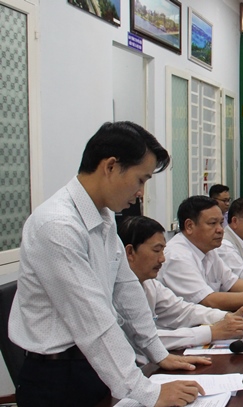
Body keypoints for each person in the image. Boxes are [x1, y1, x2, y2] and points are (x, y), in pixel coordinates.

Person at [9, 122, 208, 406]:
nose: (141, 192)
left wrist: (157, 352)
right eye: (141, 180)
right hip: (56, 379)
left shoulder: (102, 217)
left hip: (92, 367)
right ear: (111, 167)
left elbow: (126, 288)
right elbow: (92, 319)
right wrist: (148, 392)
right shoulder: (57, 225)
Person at [119, 216, 243, 359]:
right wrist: (211, 332)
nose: (162, 259)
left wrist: (226, 317)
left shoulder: (149, 283)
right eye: (156, 250)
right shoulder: (119, 291)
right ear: (130, 252)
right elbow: (146, 340)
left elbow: (183, 310)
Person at [158, 195, 243, 311]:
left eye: (220, 223)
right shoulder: (177, 256)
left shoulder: (208, 250)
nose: (220, 229)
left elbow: (231, 282)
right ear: (189, 226)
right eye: (212, 223)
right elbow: (208, 300)